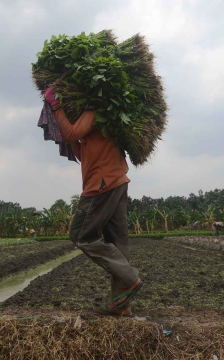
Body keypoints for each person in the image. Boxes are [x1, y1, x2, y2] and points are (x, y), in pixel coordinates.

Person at [44, 87, 143, 316]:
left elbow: (71, 133)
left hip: (102, 184)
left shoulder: (95, 108)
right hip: (116, 179)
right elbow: (80, 149)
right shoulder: (102, 116)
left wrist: (56, 106)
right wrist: (66, 137)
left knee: (80, 234)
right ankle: (121, 305)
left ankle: (129, 279)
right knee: (117, 242)